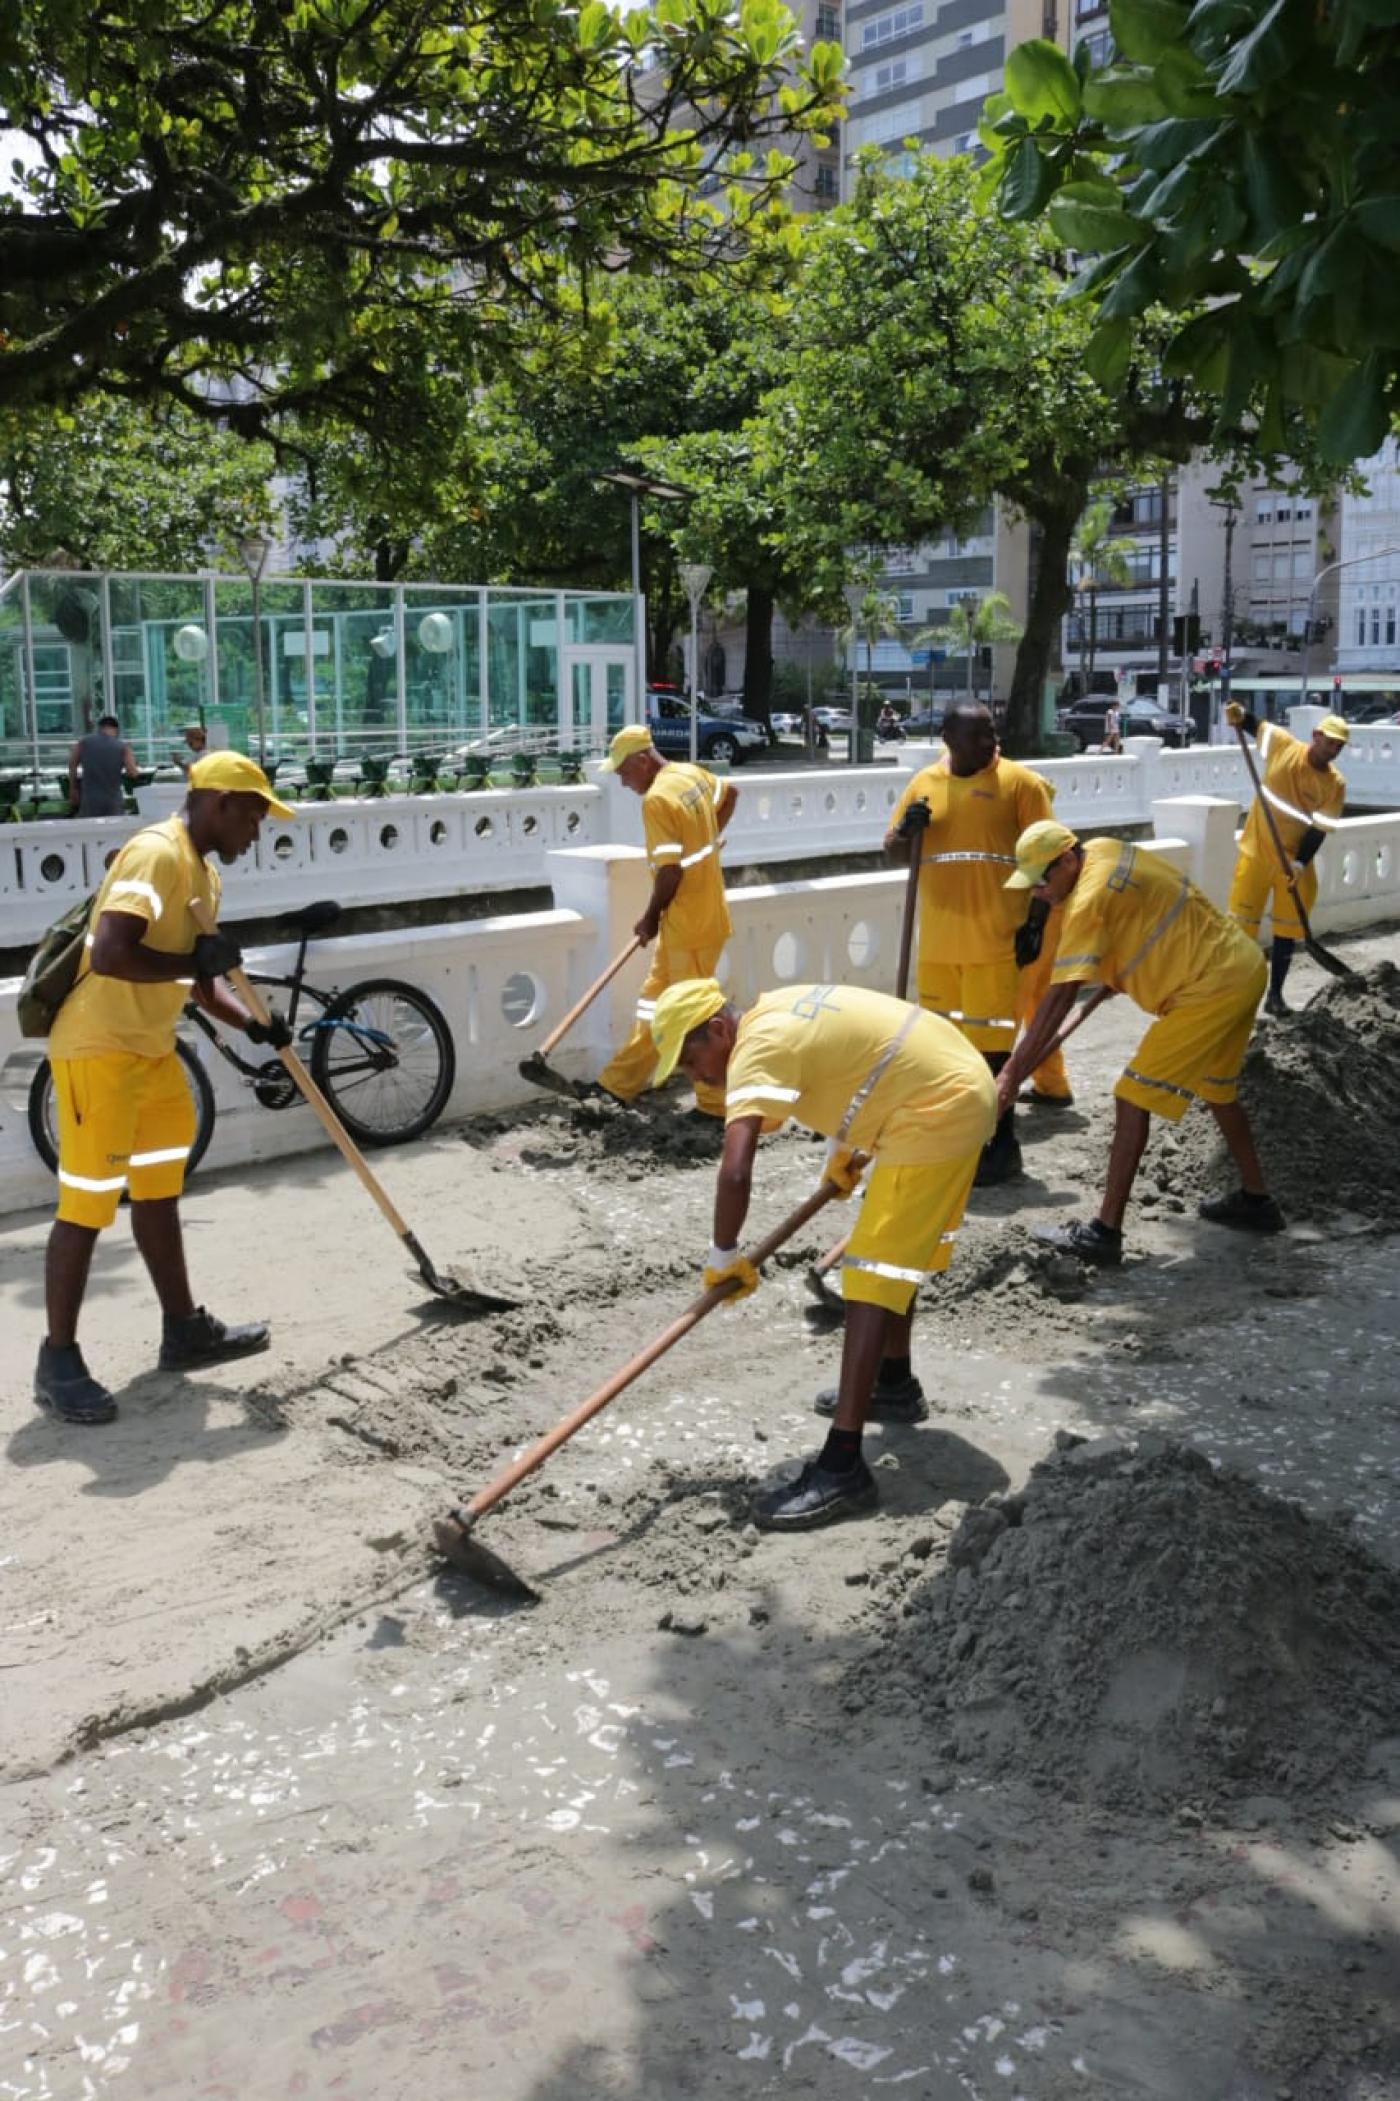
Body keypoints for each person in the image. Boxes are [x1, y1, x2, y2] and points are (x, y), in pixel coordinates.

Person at [649, 976, 996, 1528]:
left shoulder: (755, 1049)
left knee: (869, 1278)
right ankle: (895, 1386)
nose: (698, 1078)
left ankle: (843, 1468)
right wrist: (845, 1145)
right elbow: (851, 1062)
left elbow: (736, 1169)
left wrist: (722, 1257)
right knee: (890, 1258)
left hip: (936, 1107)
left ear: (717, 1029)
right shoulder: (775, 1009)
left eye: (692, 1062)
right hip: (943, 1082)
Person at [35, 752, 299, 1425]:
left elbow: (199, 983)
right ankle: (57, 1358)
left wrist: (255, 1027)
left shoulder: (203, 874)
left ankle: (183, 1328)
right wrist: (193, 960)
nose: (256, 833)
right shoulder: (157, 855)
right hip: (98, 1050)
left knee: (158, 1188)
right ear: (217, 802)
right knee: (88, 1203)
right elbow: (110, 952)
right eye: (252, 816)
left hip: (150, 1052)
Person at [995, 820, 1280, 1267]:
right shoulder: (1105, 850)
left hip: (1208, 988)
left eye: (1042, 880)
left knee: (1131, 1096)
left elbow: (1061, 995)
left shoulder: (1087, 900)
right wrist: (1118, 971)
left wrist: (1011, 1075)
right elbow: (1141, 913)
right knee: (1218, 1092)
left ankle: (1103, 1233)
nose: (1037, 892)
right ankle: (1257, 1201)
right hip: (1241, 965)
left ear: (1068, 860)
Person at [885, 702, 1055, 1183]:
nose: (989, 744)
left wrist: (1036, 921)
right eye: (977, 737)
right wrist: (906, 831)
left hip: (996, 944)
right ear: (948, 739)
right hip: (939, 946)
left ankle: (1000, 1146)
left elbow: (1052, 858)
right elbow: (893, 853)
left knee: (992, 1053)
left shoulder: (1020, 784)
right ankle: (958, 1139)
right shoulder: (923, 785)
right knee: (945, 1051)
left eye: (992, 734)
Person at [589, 725, 738, 1114]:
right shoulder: (689, 774)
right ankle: (616, 1085)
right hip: (698, 919)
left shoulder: (656, 800)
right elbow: (731, 794)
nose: (623, 782)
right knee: (653, 1006)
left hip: (688, 926)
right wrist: (705, 841)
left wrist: (649, 917)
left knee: (695, 1021)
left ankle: (713, 1107)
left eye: (624, 772)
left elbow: (669, 872)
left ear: (642, 760)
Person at [1225, 703, 1347, 1017]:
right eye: (1330, 742)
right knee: (1241, 928)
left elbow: (1320, 829)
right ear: (1316, 736)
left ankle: (1275, 996)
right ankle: (1232, 995)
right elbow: (1256, 725)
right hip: (1256, 853)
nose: (1333, 750)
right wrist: (1240, 714)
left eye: (1339, 746)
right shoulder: (1283, 746)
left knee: (1287, 931)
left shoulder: (1334, 785)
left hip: (1293, 863)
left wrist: (1299, 863)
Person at [68, 715, 139, 817]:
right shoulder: (123, 747)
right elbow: (133, 773)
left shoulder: (83, 742)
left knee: (90, 829)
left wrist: (73, 789)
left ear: (100, 728)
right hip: (113, 800)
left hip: (89, 799)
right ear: (116, 729)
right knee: (113, 829)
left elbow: (72, 764)